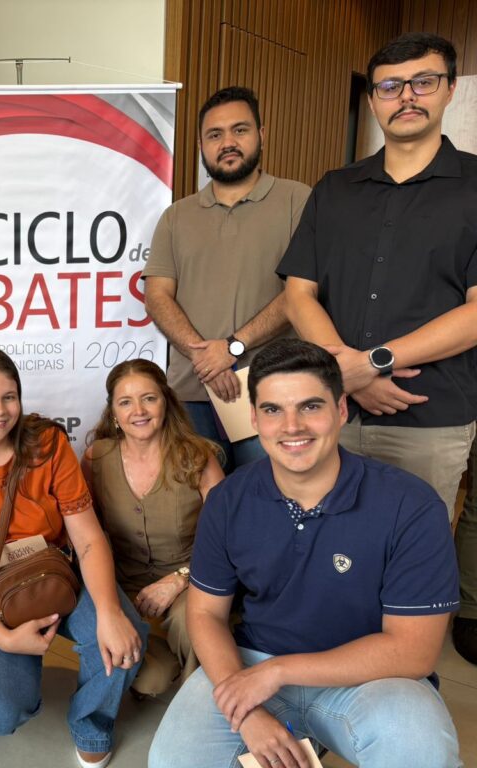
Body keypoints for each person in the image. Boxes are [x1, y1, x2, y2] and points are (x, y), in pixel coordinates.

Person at [148, 339, 461, 768]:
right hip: (253, 661)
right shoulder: (229, 500)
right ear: (254, 417)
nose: (292, 426)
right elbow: (205, 614)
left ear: (342, 410)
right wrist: (248, 709)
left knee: (420, 752)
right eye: (274, 410)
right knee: (173, 761)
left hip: (369, 677)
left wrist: (278, 673)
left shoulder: (410, 505)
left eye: (311, 406)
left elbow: (413, 651)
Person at [278, 32, 477, 664]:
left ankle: (400, 680)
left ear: (449, 88)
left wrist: (372, 363)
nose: (406, 97)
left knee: (405, 554)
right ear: (372, 100)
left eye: (423, 82)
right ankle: (322, 679)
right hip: (329, 411)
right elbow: (297, 294)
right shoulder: (334, 189)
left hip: (429, 414)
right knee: (322, 545)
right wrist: (346, 370)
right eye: (390, 86)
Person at [0, 347, 147, 768]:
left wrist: (110, 612)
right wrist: (5, 640)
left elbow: (89, 538)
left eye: (9, 397)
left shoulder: (47, 443)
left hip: (59, 572)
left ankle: (91, 723)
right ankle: (12, 673)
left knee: (125, 635)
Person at [145, 86, 311, 473]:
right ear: (202, 145)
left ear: (262, 135)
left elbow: (300, 293)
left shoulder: (297, 201)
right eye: (215, 135)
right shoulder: (176, 217)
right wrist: (208, 359)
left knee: (266, 503)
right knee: (201, 510)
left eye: (240, 130)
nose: (228, 143)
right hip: (192, 392)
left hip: (269, 392)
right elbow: (157, 297)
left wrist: (232, 349)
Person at [84, 360, 223, 695]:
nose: (138, 411)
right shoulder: (96, 458)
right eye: (125, 402)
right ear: (113, 411)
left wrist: (179, 579)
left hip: (191, 576)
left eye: (149, 398)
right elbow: (86, 533)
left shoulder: (199, 456)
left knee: (192, 625)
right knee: (153, 680)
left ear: (166, 401)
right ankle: (166, 667)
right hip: (122, 581)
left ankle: (200, 702)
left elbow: (226, 538)